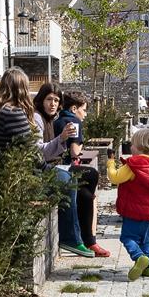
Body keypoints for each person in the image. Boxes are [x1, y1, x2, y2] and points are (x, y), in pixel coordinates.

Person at [54, 90, 110, 258]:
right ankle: (88, 239)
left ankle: (88, 239)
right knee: (91, 175)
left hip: (58, 167)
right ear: (74, 108)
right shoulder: (74, 122)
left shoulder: (58, 120)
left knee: (85, 192)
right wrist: (76, 157)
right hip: (62, 169)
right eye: (84, 110)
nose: (85, 114)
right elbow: (74, 151)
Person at [111, 127, 149, 280]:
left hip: (133, 211)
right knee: (145, 239)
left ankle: (139, 257)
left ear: (139, 147)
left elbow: (115, 178)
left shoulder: (133, 165)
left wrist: (110, 164)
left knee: (128, 237)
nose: (130, 147)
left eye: (132, 144)